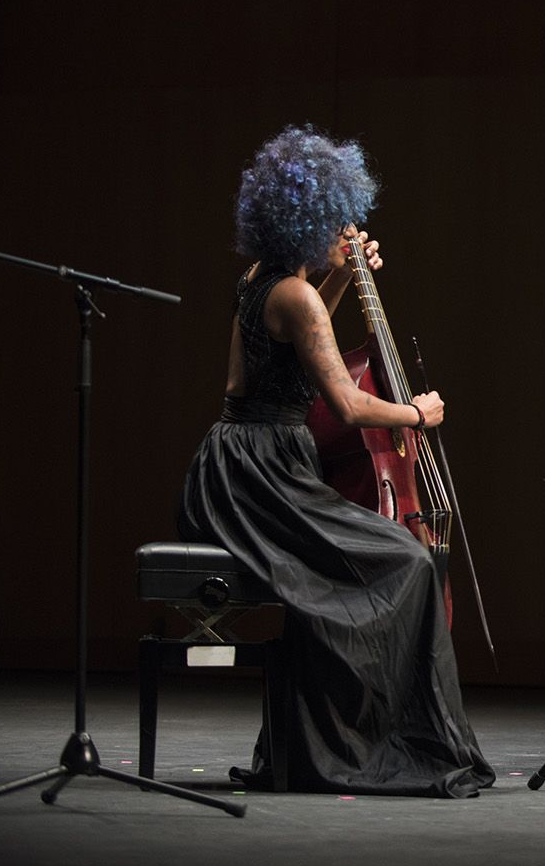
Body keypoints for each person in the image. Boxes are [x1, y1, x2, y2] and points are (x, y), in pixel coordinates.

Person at [178, 126, 495, 798]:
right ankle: (381, 741)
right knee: (406, 561)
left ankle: (330, 737)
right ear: (307, 222)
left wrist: (345, 275)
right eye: (337, 223)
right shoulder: (292, 294)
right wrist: (418, 413)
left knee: (383, 561)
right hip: (261, 476)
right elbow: (347, 406)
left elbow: (305, 333)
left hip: (239, 463)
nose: (345, 233)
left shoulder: (265, 280)